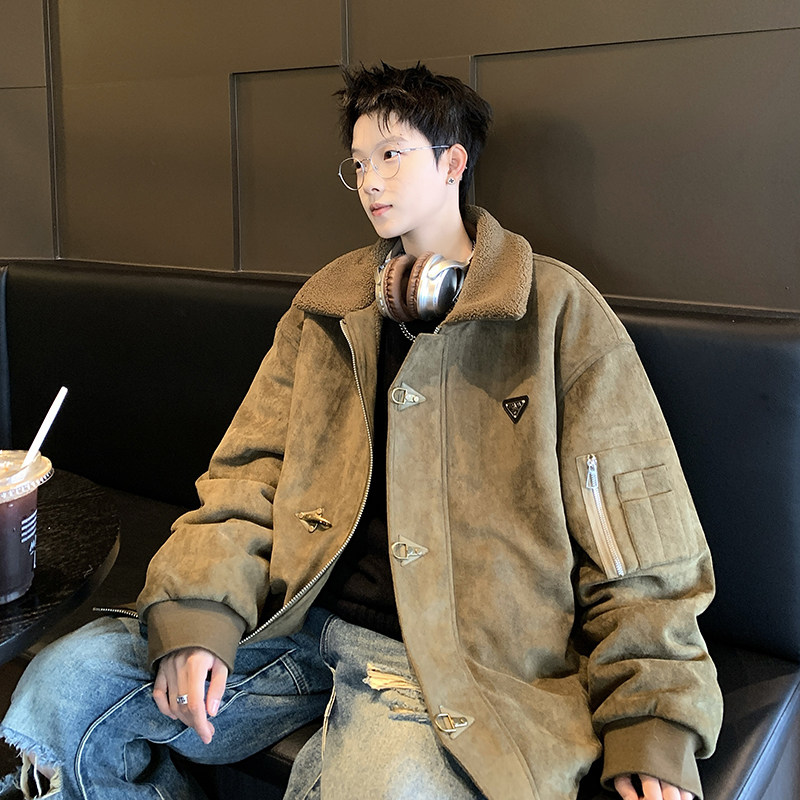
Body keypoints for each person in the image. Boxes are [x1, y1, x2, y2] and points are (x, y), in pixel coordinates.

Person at [0, 63, 721, 800]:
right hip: (290, 623)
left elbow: (636, 538)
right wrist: (201, 612)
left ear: (453, 162)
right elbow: (249, 471)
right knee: (66, 687)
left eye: (391, 155)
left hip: (439, 658)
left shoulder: (555, 311)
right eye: (358, 163)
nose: (370, 181)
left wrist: (654, 720)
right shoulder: (329, 304)